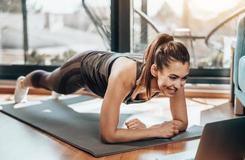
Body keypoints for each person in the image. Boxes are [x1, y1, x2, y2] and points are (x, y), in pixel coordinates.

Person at [14, 33, 190, 143]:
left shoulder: (175, 76)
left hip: (107, 73)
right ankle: (23, 82)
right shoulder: (125, 75)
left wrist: (157, 127)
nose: (178, 85)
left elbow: (182, 123)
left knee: (103, 93)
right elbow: (108, 135)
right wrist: (152, 131)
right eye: (173, 78)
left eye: (184, 78)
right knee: (51, 81)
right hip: (83, 68)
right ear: (154, 70)